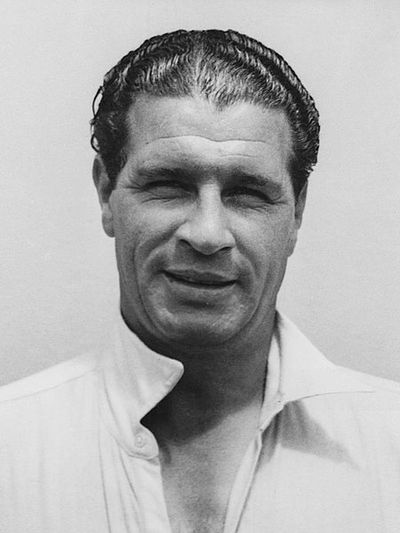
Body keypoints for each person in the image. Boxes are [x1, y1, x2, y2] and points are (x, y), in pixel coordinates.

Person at [0, 28, 399, 533]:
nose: (208, 233)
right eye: (168, 185)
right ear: (106, 194)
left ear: (296, 212)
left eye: (247, 192)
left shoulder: (393, 448)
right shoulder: (7, 449)